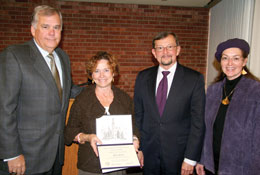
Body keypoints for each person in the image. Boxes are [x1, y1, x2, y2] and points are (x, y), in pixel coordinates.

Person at [0, 5, 82, 175]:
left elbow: (66, 91)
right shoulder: (14, 55)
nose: (52, 33)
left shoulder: (63, 57)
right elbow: (4, 108)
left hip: (55, 156)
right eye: (46, 27)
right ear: (33, 29)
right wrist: (12, 153)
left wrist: (100, 89)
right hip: (25, 157)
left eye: (57, 27)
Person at [134, 31, 205, 175]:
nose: (165, 52)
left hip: (179, 157)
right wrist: (138, 149)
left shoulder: (194, 79)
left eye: (169, 47)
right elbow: (138, 115)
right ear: (154, 53)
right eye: (160, 48)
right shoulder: (142, 77)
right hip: (148, 155)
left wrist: (190, 159)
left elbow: (198, 123)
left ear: (178, 50)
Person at [64, 51, 140, 175]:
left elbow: (134, 127)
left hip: (119, 165)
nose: (101, 75)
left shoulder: (125, 99)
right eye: (97, 71)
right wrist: (87, 137)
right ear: (91, 75)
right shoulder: (82, 99)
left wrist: (135, 139)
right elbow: (69, 133)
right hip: (90, 166)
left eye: (106, 70)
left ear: (113, 72)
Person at [196, 38, 260, 175]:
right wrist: (201, 160)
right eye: (225, 58)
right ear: (220, 62)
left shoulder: (256, 92)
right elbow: (205, 130)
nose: (230, 63)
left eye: (236, 58)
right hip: (211, 166)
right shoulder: (213, 90)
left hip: (241, 168)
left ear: (244, 61)